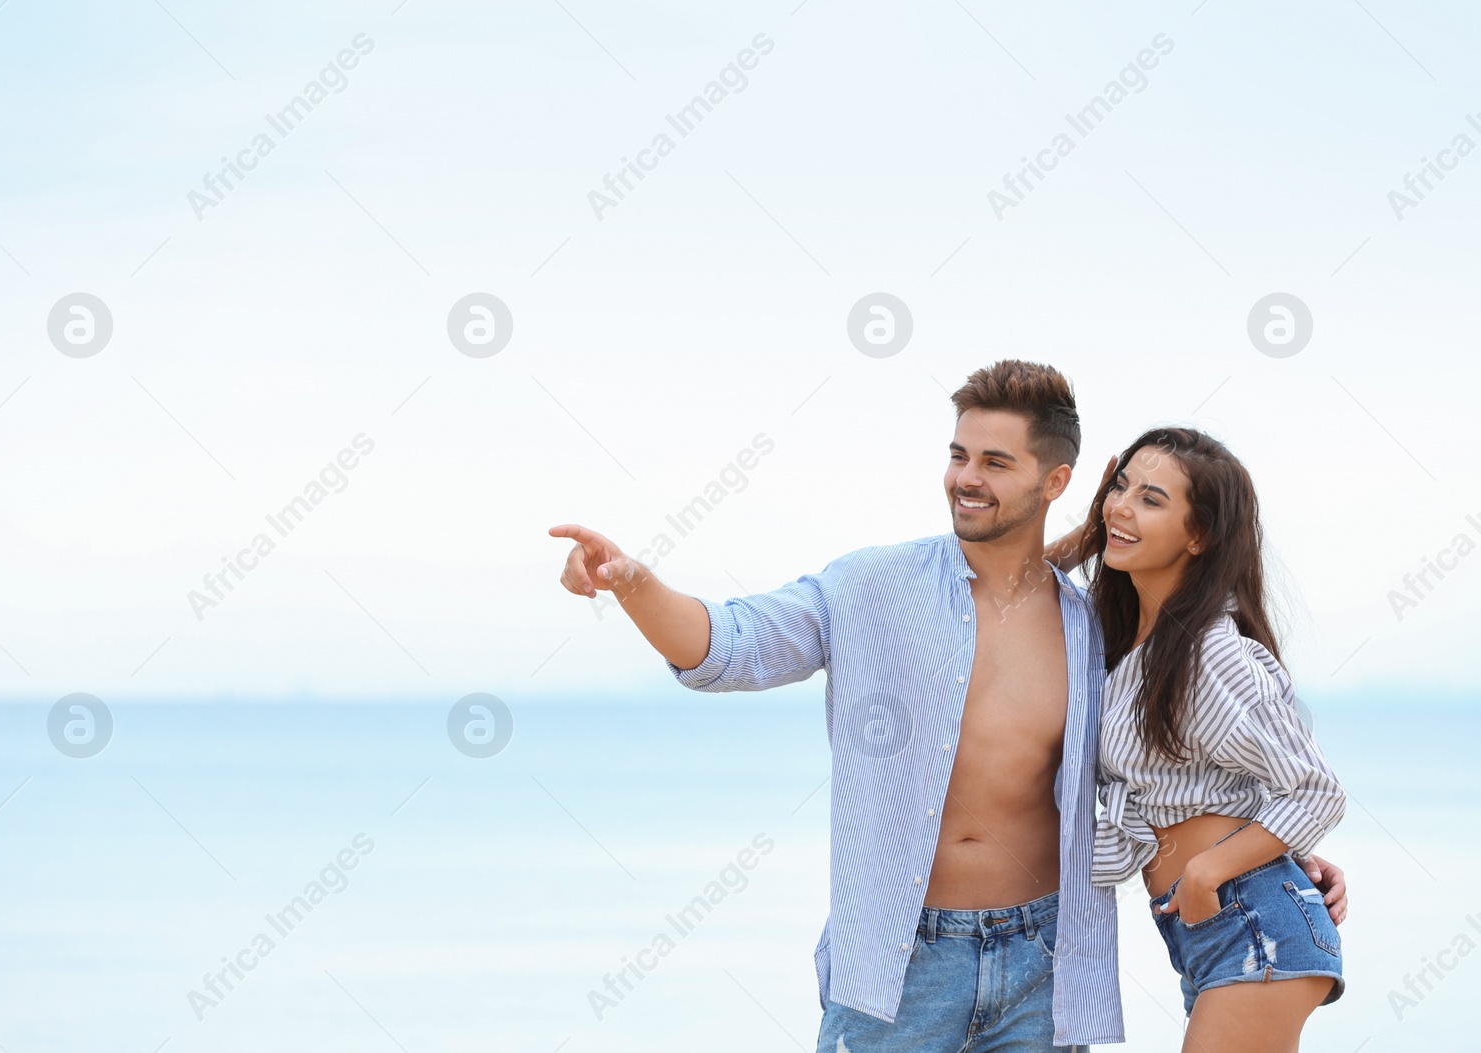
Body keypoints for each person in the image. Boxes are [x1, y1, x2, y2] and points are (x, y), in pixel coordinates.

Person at [549, 360, 1345, 1050]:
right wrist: (634, 584)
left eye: (996, 461)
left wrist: (1271, 861)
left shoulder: (1092, 632)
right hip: (903, 964)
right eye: (959, 454)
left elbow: (1189, 771)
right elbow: (730, 644)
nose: (967, 476)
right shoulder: (873, 586)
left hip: (1043, 963)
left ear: (1055, 480)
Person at [1048, 427, 1347, 1052]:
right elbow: (998, 595)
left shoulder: (1211, 653)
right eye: (1119, 486)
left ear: (1199, 535)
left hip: (1253, 922)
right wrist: (1089, 538)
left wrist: (1210, 869)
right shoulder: (1127, 643)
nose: (1123, 505)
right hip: (1212, 931)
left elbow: (1316, 791)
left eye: (1152, 499)